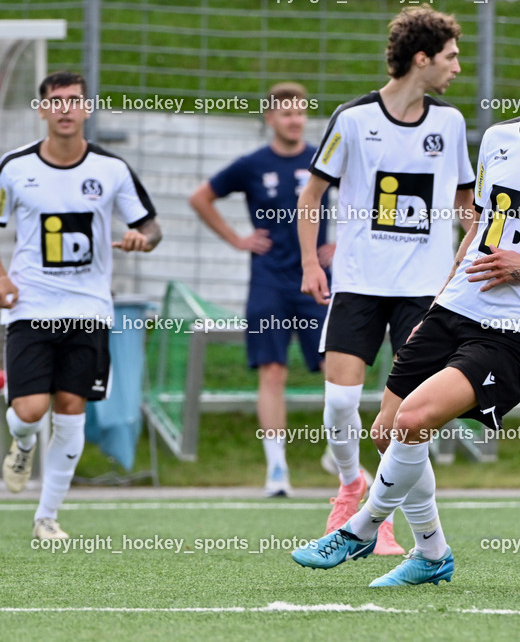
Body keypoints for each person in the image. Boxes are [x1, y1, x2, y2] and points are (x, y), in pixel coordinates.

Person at [290, 6, 520, 586]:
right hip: (457, 305)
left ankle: (359, 527)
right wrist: (446, 291)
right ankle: (431, 554)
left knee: (416, 419)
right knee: (388, 429)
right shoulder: (499, 140)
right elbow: (479, 230)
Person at [292, 5, 476, 557]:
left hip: (423, 293)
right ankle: (351, 486)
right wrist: (309, 263)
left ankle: (388, 525)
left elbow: (470, 207)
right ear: (421, 59)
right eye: (450, 57)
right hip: (358, 284)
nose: (457, 68)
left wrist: (470, 259)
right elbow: (310, 197)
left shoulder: (451, 123)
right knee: (341, 406)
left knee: (405, 421)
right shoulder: (352, 119)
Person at [0, 70, 162, 539]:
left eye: (74, 100)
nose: (65, 109)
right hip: (30, 307)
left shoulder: (111, 170)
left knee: (71, 405)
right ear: (43, 109)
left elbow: (152, 227)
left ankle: (46, 517)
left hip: (89, 309)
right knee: (29, 410)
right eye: (56, 101)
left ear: (87, 108)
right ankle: (23, 441)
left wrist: (141, 239)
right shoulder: (13, 168)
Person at [189, 82, 330, 498]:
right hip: (269, 280)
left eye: (300, 112)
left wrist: (342, 242)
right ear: (270, 118)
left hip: (315, 278)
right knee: (272, 370)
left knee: (334, 369)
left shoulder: (322, 159)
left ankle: (336, 454)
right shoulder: (252, 164)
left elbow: (365, 196)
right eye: (286, 113)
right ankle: (277, 468)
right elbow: (201, 198)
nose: (294, 120)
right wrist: (237, 239)